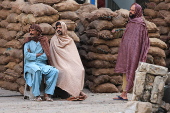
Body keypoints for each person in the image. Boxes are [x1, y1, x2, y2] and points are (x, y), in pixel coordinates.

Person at [113, 3, 150, 101]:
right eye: (130, 9)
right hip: (127, 51)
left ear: (137, 11)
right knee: (126, 71)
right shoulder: (131, 22)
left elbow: (143, 40)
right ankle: (124, 93)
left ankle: (127, 94)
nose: (131, 12)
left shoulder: (140, 24)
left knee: (132, 71)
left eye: (133, 10)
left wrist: (138, 50)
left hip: (135, 52)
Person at [50, 21, 87, 101]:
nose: (58, 29)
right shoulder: (54, 40)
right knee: (66, 71)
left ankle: (77, 92)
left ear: (64, 28)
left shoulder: (69, 40)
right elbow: (54, 56)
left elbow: (73, 56)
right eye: (57, 28)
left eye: (60, 27)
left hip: (69, 63)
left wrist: (73, 64)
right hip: (59, 63)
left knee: (80, 69)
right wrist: (63, 64)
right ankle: (77, 93)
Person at [24, 24, 59, 101]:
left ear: (38, 32)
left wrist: (33, 55)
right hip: (30, 64)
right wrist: (37, 54)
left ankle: (47, 94)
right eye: (30, 30)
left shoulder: (43, 41)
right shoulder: (28, 42)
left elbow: (46, 55)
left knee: (55, 71)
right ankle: (37, 95)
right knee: (37, 70)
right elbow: (27, 56)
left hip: (41, 64)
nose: (31, 32)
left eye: (33, 30)